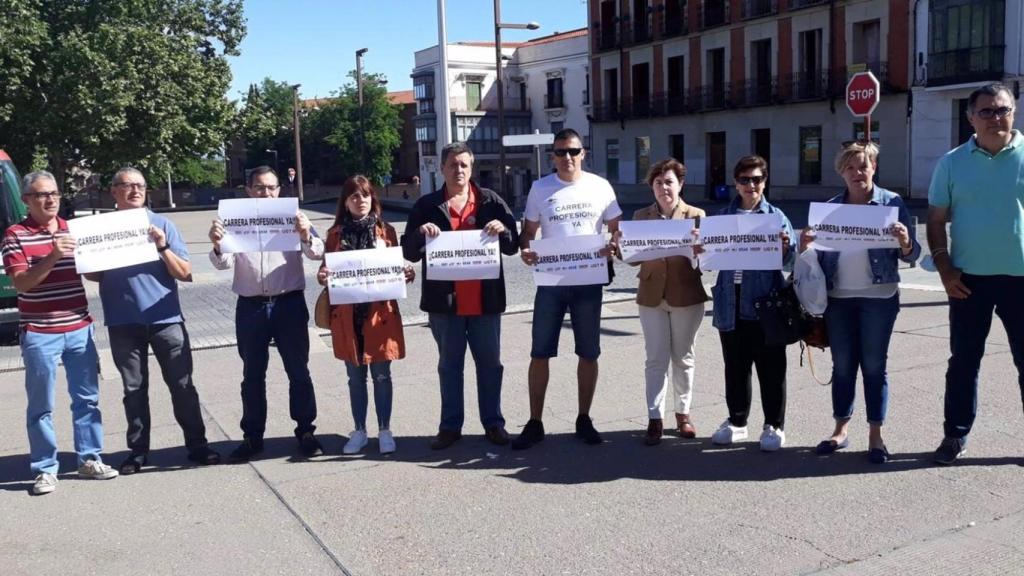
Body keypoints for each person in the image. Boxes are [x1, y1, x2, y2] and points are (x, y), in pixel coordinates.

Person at [89, 167, 220, 474]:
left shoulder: (162, 224)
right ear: (113, 192)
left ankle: (197, 445)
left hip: (166, 320)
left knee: (182, 387)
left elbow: (186, 273)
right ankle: (137, 451)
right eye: (127, 186)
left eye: (140, 185)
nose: (135, 190)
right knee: (133, 391)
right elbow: (93, 275)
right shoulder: (101, 228)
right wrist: (91, 255)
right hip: (123, 323)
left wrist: (161, 246)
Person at [799, 142, 920, 463]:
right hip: (838, 300)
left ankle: (876, 436)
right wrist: (804, 246)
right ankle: (840, 430)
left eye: (863, 166)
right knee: (842, 367)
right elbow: (814, 260)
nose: (857, 173)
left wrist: (905, 242)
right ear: (841, 172)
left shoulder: (891, 203)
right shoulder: (830, 209)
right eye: (850, 167)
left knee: (875, 367)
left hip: (879, 299)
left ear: (874, 168)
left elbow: (914, 253)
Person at [2, 171, 118, 495]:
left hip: (79, 328)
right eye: (41, 195)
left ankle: (89, 459)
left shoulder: (73, 229)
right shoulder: (15, 234)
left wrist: (117, 256)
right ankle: (44, 469)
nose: (50, 199)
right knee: (41, 406)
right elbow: (21, 283)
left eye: (53, 193)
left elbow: (93, 272)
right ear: (26, 200)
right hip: (40, 332)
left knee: (87, 400)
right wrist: (53, 254)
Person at [927, 82, 1024, 465]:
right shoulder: (951, 162)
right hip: (967, 281)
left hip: (1021, 279)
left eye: (1002, 110)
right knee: (964, 361)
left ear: (1013, 112)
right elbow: (935, 220)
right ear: (970, 118)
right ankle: (955, 435)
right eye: (986, 111)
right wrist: (944, 267)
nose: (995, 118)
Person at [402, 142, 519, 450]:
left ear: (472, 167)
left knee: (490, 365)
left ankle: (493, 424)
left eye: (464, 164)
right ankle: (450, 427)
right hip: (445, 304)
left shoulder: (491, 201)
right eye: (453, 164)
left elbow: (512, 245)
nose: (459, 170)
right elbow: (409, 252)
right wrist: (419, 234)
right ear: (442, 168)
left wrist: (503, 230)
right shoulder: (427, 205)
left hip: (485, 301)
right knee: (449, 367)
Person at [513, 128, 622, 449]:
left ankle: (584, 418)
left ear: (583, 153)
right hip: (551, 283)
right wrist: (527, 250)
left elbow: (617, 229)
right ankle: (535, 422)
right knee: (539, 353)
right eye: (560, 152)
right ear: (552, 156)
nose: (567, 158)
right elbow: (527, 232)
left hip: (588, 282)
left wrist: (613, 246)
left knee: (588, 353)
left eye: (573, 151)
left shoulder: (600, 187)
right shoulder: (540, 188)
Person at [208, 166, 323, 461]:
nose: (266, 193)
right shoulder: (234, 221)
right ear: (248, 190)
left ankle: (306, 431)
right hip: (251, 306)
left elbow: (317, 253)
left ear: (279, 190)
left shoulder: (294, 216)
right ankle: (252, 436)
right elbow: (222, 264)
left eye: (271, 188)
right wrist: (217, 243)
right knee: (252, 375)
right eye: (260, 188)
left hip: (289, 304)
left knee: (298, 371)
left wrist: (306, 234)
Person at [318, 175, 415, 455]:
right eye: (354, 197)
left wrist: (407, 273)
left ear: (373, 199)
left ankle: (385, 430)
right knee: (355, 377)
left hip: (379, 315)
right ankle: (359, 430)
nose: (360, 201)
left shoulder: (387, 232)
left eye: (365, 195)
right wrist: (323, 275)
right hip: (348, 317)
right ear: (345, 202)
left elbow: (398, 270)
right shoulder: (335, 235)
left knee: (382, 375)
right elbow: (326, 272)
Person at [708, 155, 794, 452]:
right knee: (735, 366)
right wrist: (700, 249)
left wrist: (785, 247)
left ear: (764, 182)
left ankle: (774, 424)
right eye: (745, 180)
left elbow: (791, 259)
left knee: (771, 367)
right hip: (729, 301)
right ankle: (737, 421)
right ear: (736, 183)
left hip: (765, 302)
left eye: (756, 179)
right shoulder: (721, 217)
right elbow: (707, 261)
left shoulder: (776, 216)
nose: (751, 185)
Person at [620, 158, 707, 445]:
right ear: (652, 188)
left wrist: (699, 250)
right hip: (651, 297)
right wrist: (620, 246)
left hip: (687, 296)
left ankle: (683, 413)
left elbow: (708, 262)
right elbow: (632, 260)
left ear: (680, 184)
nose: (663, 188)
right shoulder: (640, 216)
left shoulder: (697, 215)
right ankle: (654, 417)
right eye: (658, 183)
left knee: (683, 357)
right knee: (655, 359)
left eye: (669, 182)